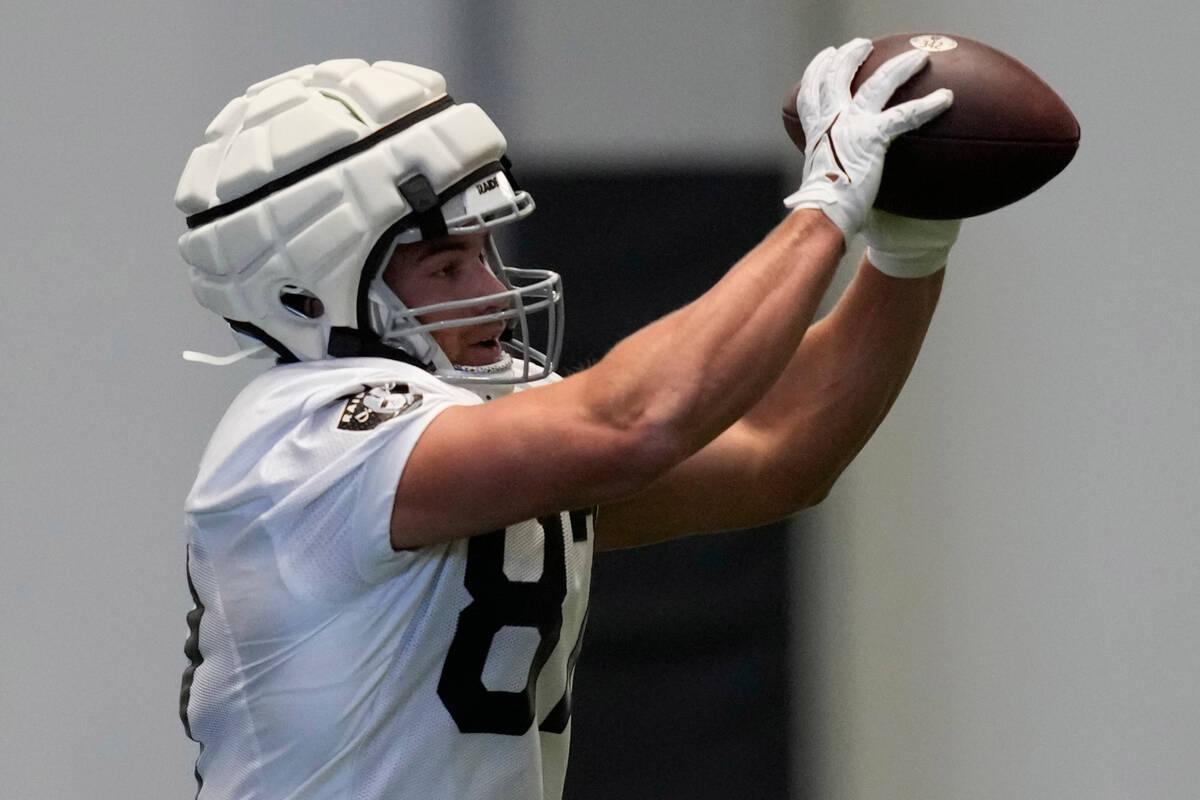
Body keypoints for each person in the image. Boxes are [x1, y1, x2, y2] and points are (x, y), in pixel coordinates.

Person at [174, 39, 960, 800]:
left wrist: (908, 252)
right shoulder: (305, 436)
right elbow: (638, 423)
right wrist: (824, 206)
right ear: (306, 299)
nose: (488, 287)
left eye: (485, 250)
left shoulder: (458, 436)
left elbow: (778, 450)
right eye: (447, 266)